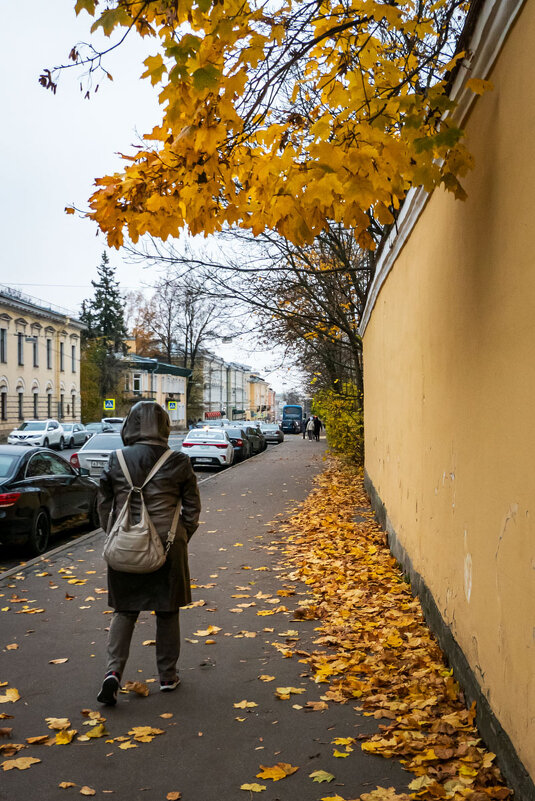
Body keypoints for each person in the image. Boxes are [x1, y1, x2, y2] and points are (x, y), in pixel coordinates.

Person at [96, 401, 201, 705]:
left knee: (124, 610)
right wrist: (180, 537)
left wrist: (114, 534)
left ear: (129, 425)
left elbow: (102, 504)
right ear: (165, 426)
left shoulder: (115, 460)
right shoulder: (178, 460)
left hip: (124, 546)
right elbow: (192, 508)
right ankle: (167, 676)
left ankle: (113, 673)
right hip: (169, 547)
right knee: (167, 611)